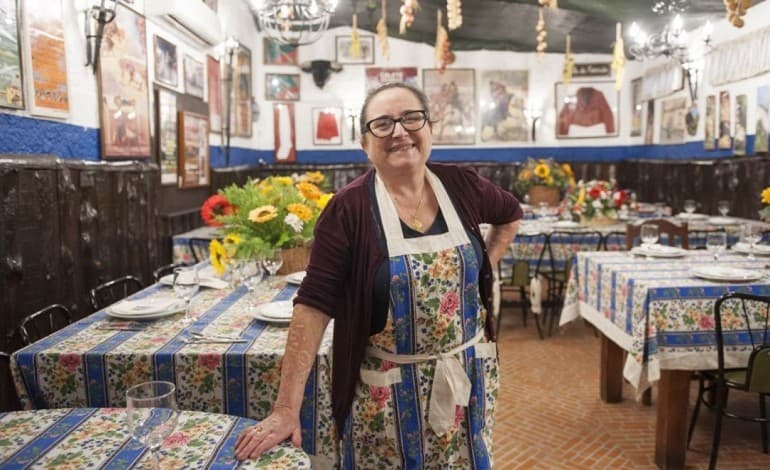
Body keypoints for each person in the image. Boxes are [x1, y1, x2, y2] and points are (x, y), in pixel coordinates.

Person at [234, 82, 522, 467]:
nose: (400, 131)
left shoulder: (461, 186)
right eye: (382, 124)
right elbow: (313, 306)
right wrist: (286, 408)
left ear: (430, 128)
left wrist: (483, 265)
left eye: (411, 118)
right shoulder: (348, 209)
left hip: (465, 383)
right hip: (386, 398)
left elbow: (510, 214)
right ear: (365, 143)